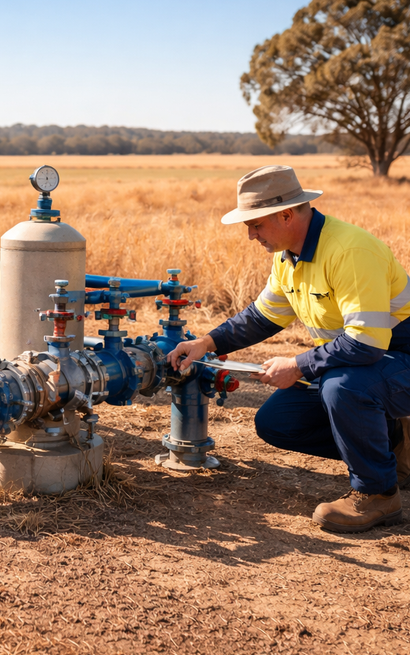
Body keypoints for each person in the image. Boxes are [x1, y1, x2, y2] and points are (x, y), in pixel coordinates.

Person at [167, 165, 410, 533]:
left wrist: (297, 365)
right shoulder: (287, 258)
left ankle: (378, 493)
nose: (250, 235)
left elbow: (366, 342)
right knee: (277, 422)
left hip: (396, 357)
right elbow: (262, 317)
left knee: (343, 387)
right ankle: (395, 451)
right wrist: (208, 342)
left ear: (286, 214)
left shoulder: (350, 251)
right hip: (369, 362)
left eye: (256, 224)